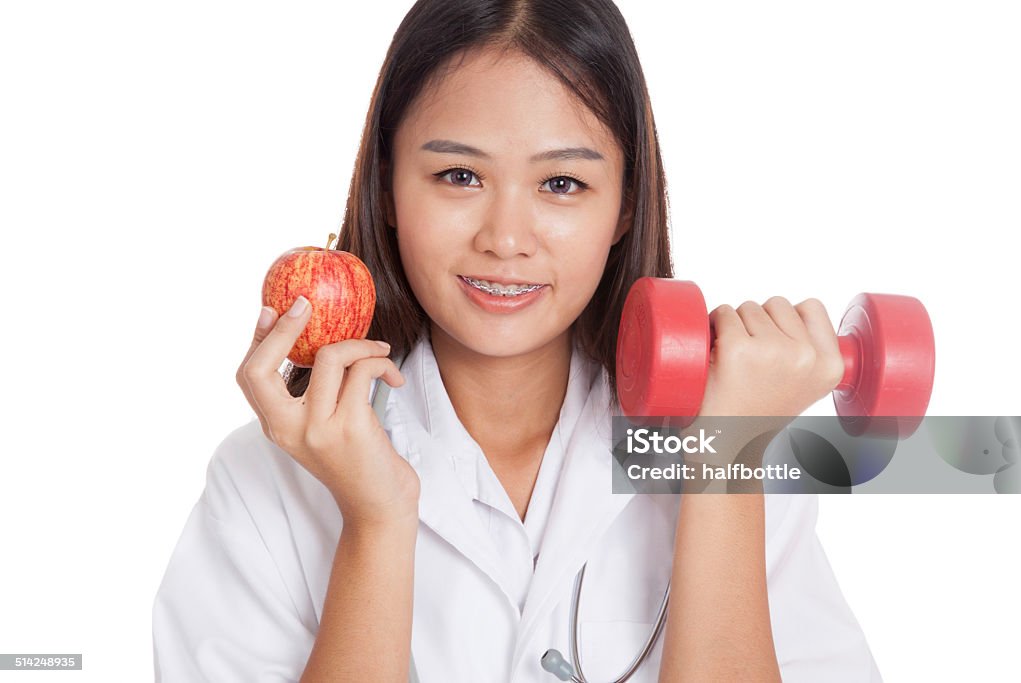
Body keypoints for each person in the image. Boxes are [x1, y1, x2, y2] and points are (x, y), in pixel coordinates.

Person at [152, 0, 883, 680]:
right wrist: (376, 522)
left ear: (626, 205)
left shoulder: (735, 452)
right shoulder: (264, 484)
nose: (505, 240)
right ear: (387, 190)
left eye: (561, 184)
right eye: (459, 175)